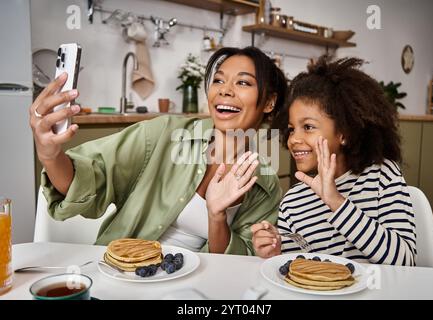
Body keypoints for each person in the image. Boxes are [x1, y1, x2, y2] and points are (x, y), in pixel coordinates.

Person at [30, 46, 287, 255]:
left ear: (268, 102)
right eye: (218, 80)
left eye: (242, 83)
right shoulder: (163, 134)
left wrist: (217, 217)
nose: (224, 90)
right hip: (124, 275)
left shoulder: (264, 184)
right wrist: (50, 155)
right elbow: (91, 177)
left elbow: (236, 266)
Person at [251, 55, 416, 266]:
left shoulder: (382, 177)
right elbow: (295, 269)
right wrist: (275, 252)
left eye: (308, 127)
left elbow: (405, 262)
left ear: (344, 132)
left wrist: (336, 201)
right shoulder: (293, 202)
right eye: (291, 129)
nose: (294, 139)